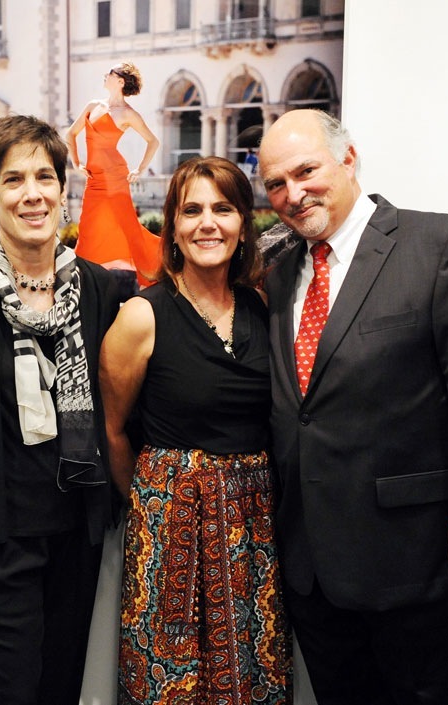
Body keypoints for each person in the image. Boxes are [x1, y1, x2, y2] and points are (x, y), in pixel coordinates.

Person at [258, 109, 448, 704]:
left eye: (306, 170)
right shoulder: (279, 275)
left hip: (425, 562)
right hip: (315, 571)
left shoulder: (443, 247)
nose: (292, 193)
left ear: (349, 158)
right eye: (275, 184)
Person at [0, 114, 124, 705]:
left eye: (45, 177)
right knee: (5, 692)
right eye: (14, 180)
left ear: (64, 189)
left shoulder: (103, 292)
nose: (32, 194)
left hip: (73, 538)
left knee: (61, 690)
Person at [101, 157, 292, 704]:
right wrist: (152, 506)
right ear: (173, 227)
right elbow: (113, 432)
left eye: (223, 208)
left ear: (243, 222)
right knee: (171, 681)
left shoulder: (260, 305)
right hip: (170, 533)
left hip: (253, 531)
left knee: (254, 673)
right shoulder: (142, 315)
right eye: (192, 211)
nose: (208, 223)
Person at [67, 62, 162, 285]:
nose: (105, 75)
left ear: (120, 81)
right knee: (88, 228)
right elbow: (70, 135)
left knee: (129, 229)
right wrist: (76, 164)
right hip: (95, 179)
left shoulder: (129, 114)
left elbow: (153, 141)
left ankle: (153, 275)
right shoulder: (92, 106)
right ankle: (81, 281)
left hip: (116, 178)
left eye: (110, 72)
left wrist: (139, 168)